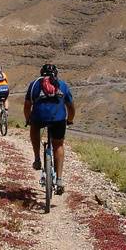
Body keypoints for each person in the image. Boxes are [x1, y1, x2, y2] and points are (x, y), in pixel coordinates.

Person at [24, 63, 75, 195]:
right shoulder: (62, 85)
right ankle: (59, 180)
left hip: (39, 118)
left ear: (41, 73)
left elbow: (27, 105)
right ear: (56, 74)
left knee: (34, 129)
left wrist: (28, 119)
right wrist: (70, 120)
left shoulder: (34, 84)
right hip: (58, 120)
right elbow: (71, 106)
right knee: (58, 145)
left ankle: (37, 159)